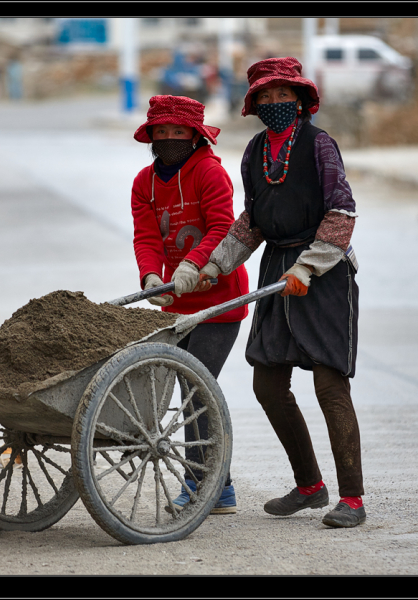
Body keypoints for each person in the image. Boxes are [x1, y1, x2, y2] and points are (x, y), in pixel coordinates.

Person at [175, 57, 365, 528]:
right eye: (266, 96)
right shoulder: (255, 150)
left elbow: (342, 211)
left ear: (300, 100)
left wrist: (310, 265)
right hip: (277, 268)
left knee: (328, 383)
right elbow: (251, 223)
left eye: (284, 95)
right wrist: (213, 266)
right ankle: (309, 486)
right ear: (255, 103)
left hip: (323, 271)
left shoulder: (321, 145)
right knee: (268, 383)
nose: (276, 103)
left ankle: (353, 499)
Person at [131, 95, 250, 514]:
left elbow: (222, 226)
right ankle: (221, 486)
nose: (168, 139)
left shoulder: (209, 173)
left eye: (177, 132)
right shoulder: (144, 182)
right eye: (160, 133)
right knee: (189, 389)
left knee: (198, 389)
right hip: (177, 303)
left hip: (220, 300)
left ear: (195, 135)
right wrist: (151, 277)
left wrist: (194, 263)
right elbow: (146, 237)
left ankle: (204, 484)